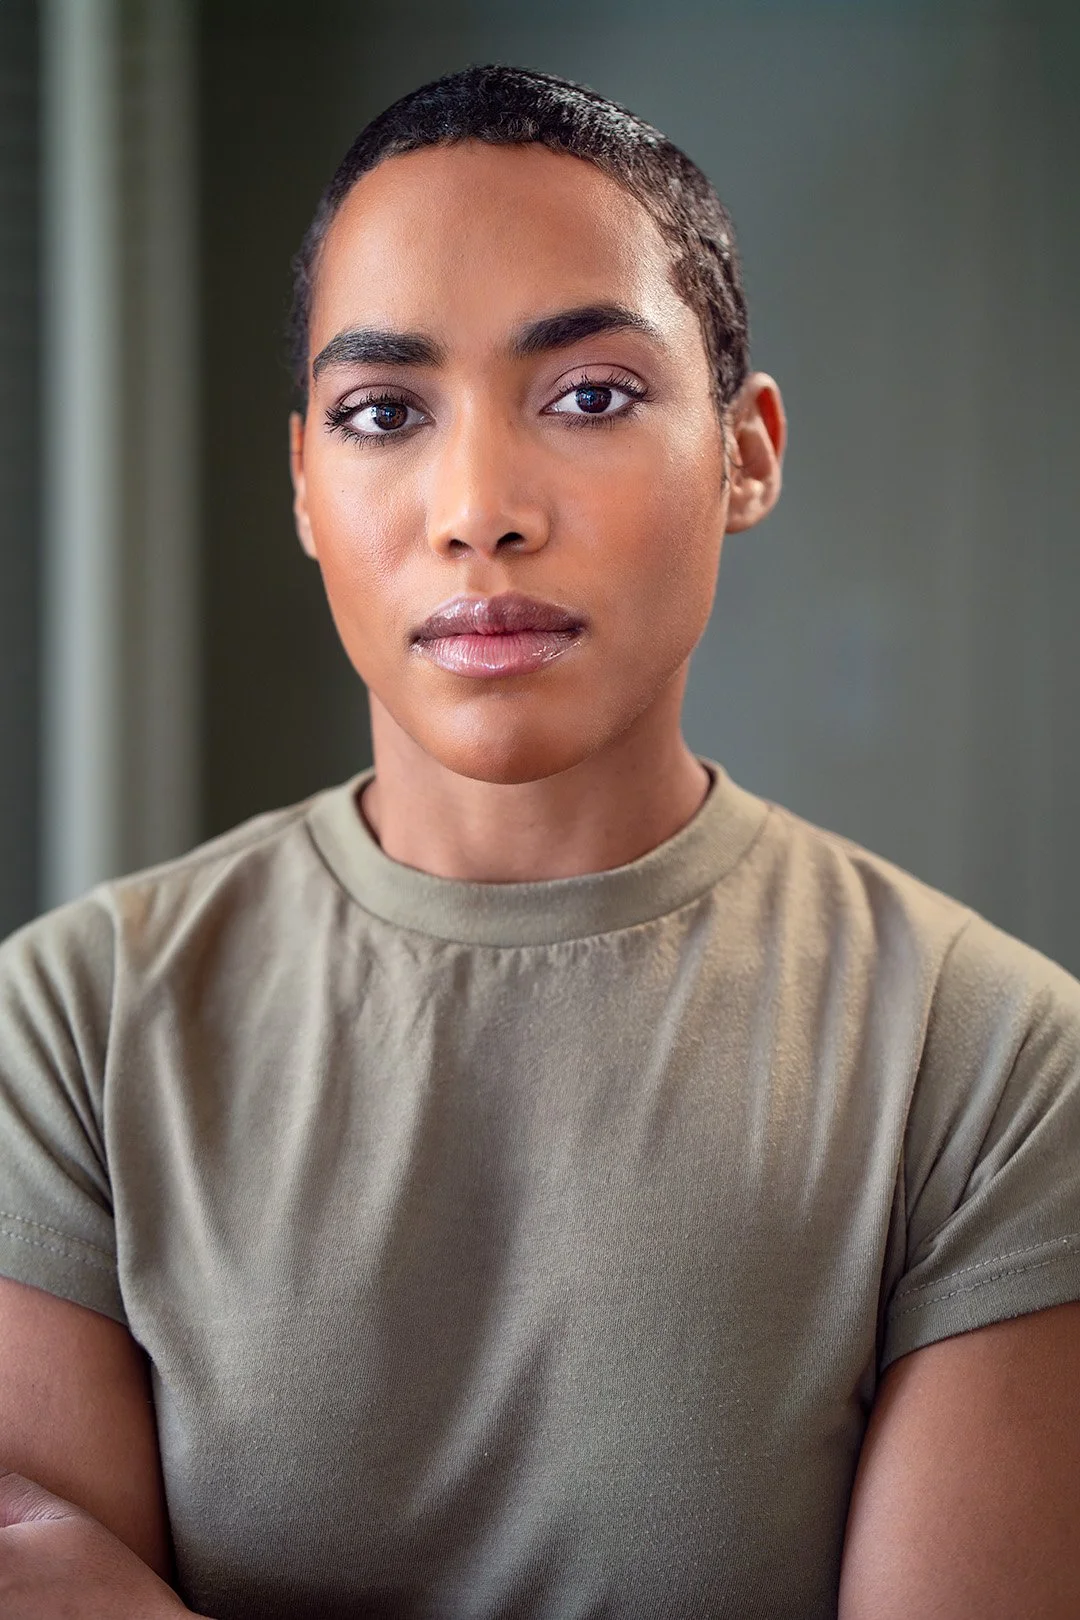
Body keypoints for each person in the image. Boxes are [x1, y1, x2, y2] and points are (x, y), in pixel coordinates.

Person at [1, 62, 1079, 1620]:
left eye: (589, 395)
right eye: (382, 413)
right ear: (304, 480)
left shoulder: (989, 1069)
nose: (478, 507)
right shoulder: (68, 1032)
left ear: (747, 452)